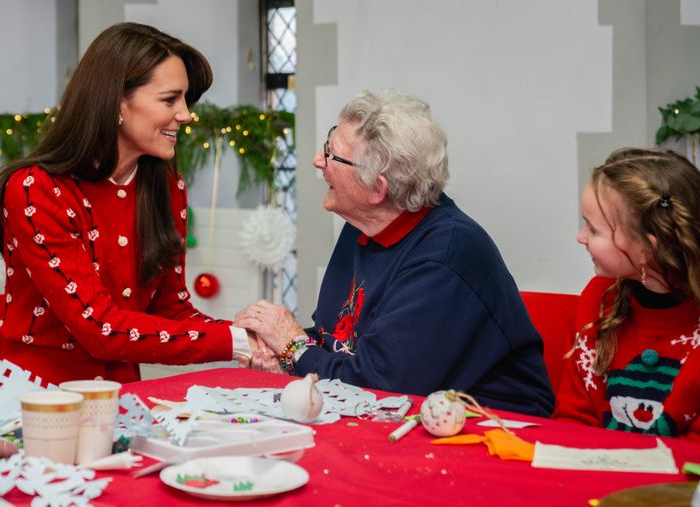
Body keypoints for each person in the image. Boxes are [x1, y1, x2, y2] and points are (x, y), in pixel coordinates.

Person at [236, 90, 554, 417]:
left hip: (490, 429)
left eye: (332, 154)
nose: (318, 160)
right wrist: (276, 346)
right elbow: (339, 341)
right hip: (396, 417)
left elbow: (379, 385)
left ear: (377, 188)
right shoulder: (363, 226)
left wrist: (294, 348)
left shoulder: (446, 255)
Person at [0, 22, 250, 384]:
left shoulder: (167, 187)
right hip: (40, 402)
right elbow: (100, 329)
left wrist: (251, 335)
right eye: (170, 99)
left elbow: (171, 310)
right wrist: (236, 342)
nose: (186, 114)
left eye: (186, 99)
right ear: (117, 102)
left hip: (123, 395)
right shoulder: (35, 189)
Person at [554, 148, 700, 446]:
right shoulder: (598, 302)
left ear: (647, 250)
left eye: (594, 229)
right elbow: (572, 422)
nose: (581, 237)